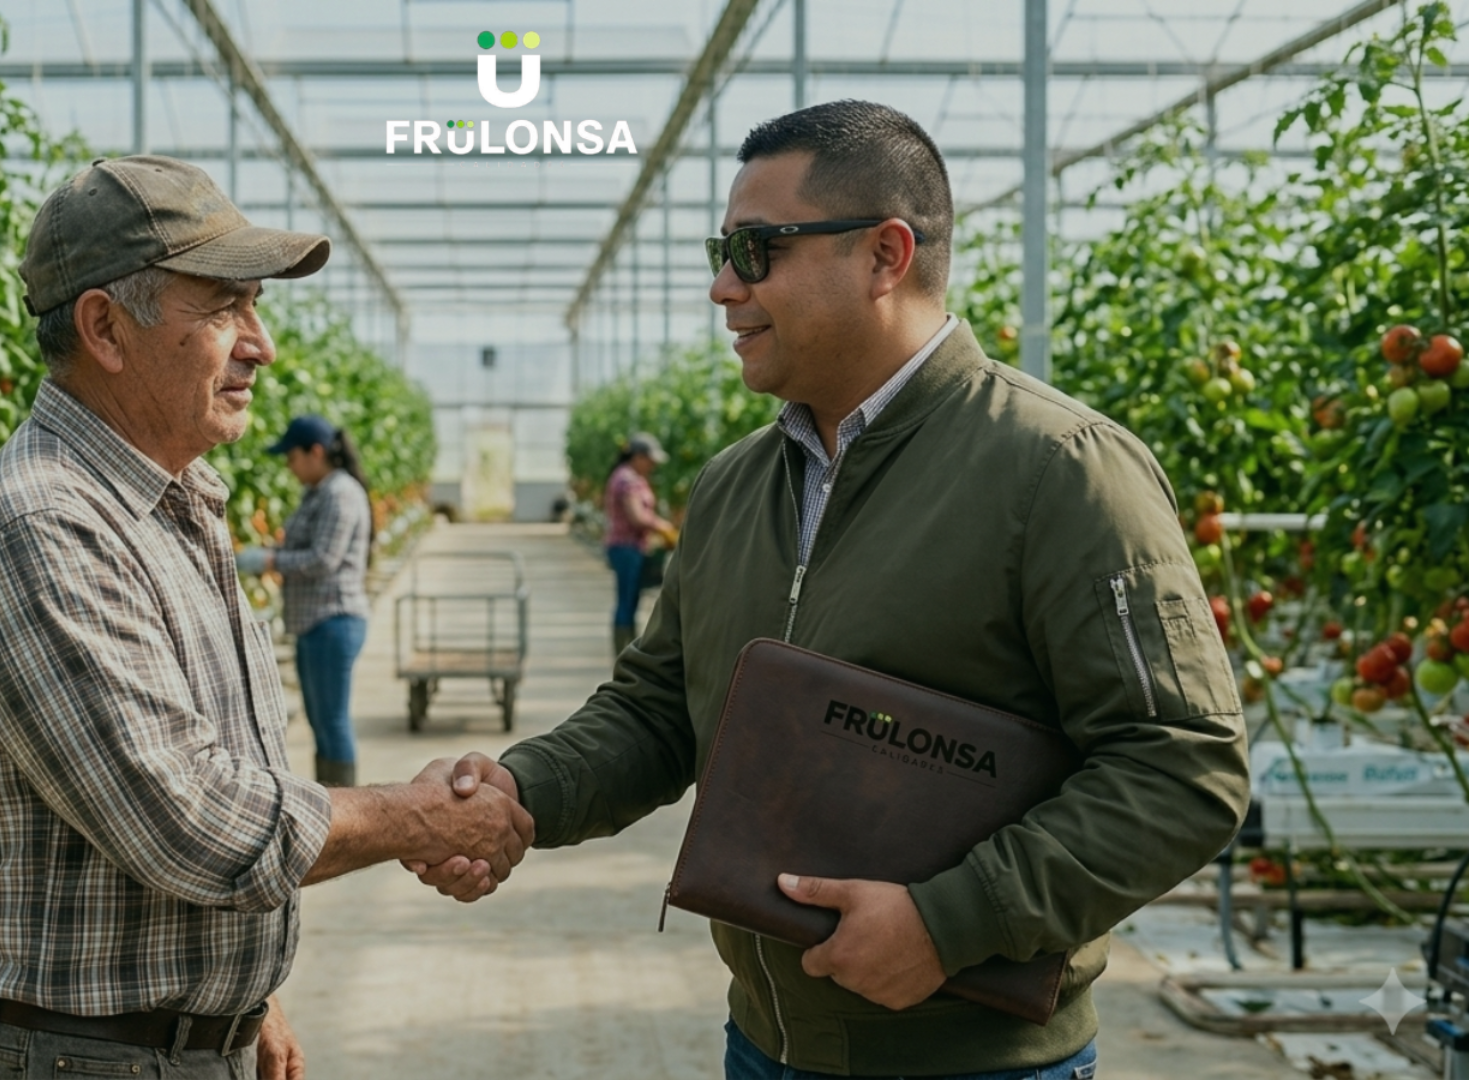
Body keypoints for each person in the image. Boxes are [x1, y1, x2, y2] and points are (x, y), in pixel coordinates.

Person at [412, 101, 1249, 1078]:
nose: (724, 287)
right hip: (763, 1045)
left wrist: (949, 921)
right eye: (720, 252)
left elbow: (1181, 766)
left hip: (975, 1066)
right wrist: (522, 790)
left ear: (885, 255)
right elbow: (659, 709)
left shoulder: (1057, 471)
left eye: (756, 250)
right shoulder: (734, 485)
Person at [0, 156, 532, 1080]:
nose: (260, 344)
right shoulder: (42, 527)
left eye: (255, 306)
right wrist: (418, 818)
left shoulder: (175, 504)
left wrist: (244, 1004)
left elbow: (219, 763)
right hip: (78, 1059)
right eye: (223, 308)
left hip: (150, 1047)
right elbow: (190, 820)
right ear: (105, 328)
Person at [237, 415, 372, 788]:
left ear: (316, 452)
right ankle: (332, 800)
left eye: (292, 457)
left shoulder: (339, 493)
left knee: (332, 721)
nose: (289, 466)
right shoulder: (318, 492)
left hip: (333, 619)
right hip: (314, 622)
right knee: (321, 721)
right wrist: (272, 554)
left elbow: (324, 559)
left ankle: (346, 805)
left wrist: (270, 561)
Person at [603, 432, 677, 658]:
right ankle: (623, 653)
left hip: (630, 547)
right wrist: (662, 527)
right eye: (650, 460)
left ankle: (628, 651)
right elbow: (637, 517)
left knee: (631, 598)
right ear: (637, 457)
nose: (652, 465)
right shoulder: (627, 479)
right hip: (626, 548)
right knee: (626, 599)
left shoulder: (630, 476)